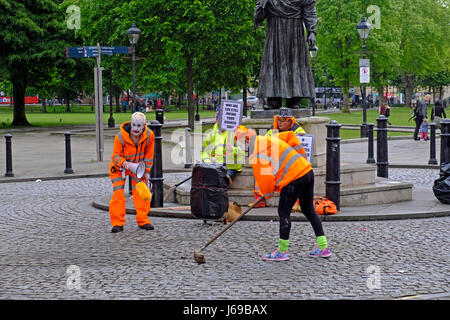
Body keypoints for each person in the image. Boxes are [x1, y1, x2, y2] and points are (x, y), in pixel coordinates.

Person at [235, 126, 331, 261]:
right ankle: (323, 247)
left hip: (293, 178)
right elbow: (291, 136)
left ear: (246, 141)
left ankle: (282, 251)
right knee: (308, 209)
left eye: (240, 144)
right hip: (306, 171)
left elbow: (265, 178)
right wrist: (302, 157)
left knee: (283, 211)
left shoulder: (256, 152)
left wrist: (267, 194)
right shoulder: (268, 139)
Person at [254, 0, 317, 109]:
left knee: (295, 63)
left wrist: (311, 31)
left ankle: (294, 99)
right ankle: (273, 99)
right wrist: (261, 7)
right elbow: (259, 16)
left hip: (295, 31)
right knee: (273, 62)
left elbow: (310, 12)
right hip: (275, 30)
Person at [108, 112, 155, 233]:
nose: (135, 129)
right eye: (134, 125)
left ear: (144, 125)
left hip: (138, 166)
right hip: (119, 168)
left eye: (139, 126)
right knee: (118, 194)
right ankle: (117, 223)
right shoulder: (120, 137)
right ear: (130, 123)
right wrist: (123, 162)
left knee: (141, 192)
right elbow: (115, 156)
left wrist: (146, 171)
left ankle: (143, 220)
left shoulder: (150, 136)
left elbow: (149, 156)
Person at [252, 107, 306, 208]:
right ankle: (260, 198)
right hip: (275, 162)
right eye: (279, 120)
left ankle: (296, 201)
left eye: (283, 120)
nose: (280, 123)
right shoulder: (271, 131)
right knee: (261, 170)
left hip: (291, 165)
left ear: (290, 121)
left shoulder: (299, 131)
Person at [201, 110, 245, 186]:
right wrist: (208, 162)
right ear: (216, 119)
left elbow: (243, 152)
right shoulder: (211, 135)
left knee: (220, 181)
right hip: (214, 166)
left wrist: (232, 149)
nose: (221, 121)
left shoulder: (236, 133)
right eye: (219, 119)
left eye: (223, 119)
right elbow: (204, 152)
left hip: (230, 167)